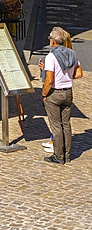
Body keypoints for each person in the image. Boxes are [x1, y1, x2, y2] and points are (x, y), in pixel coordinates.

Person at [41, 26, 83, 164]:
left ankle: (58, 156)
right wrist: (67, 76)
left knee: (56, 126)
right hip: (68, 92)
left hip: (55, 92)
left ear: (53, 41)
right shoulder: (72, 54)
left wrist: (44, 93)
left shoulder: (51, 56)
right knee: (66, 124)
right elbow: (78, 74)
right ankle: (67, 154)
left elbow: (49, 80)